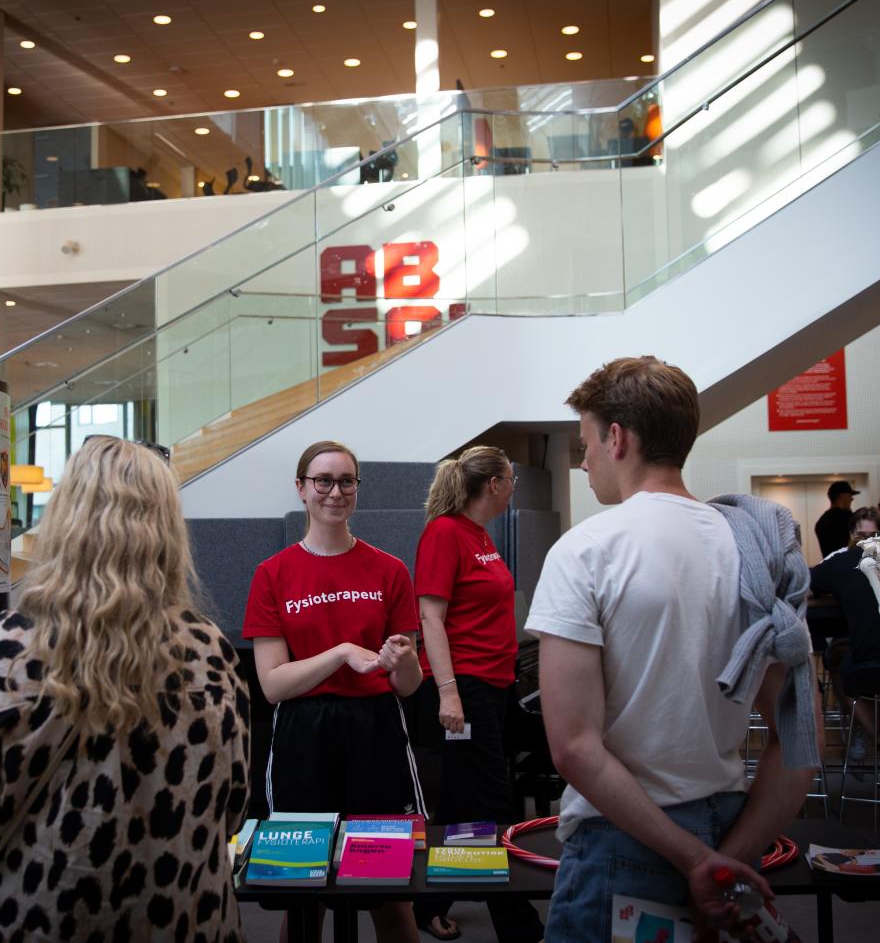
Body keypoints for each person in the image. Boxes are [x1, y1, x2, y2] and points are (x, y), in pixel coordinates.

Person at [525, 357, 821, 938]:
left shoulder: (586, 550)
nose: (582, 461)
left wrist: (694, 862)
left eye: (584, 443)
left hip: (622, 842)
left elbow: (575, 749)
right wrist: (727, 857)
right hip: (731, 829)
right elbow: (801, 740)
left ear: (617, 438)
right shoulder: (756, 550)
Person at [0, 437, 251, 941]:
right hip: (180, 918)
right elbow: (232, 805)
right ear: (168, 531)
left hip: (38, 916)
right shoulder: (207, 651)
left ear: (63, 521)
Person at [243, 440, 424, 943]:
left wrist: (404, 662)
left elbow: (406, 686)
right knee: (302, 893)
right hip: (304, 737)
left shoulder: (389, 570)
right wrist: (342, 652)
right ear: (301, 489)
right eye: (322, 481)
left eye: (346, 481)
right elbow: (273, 685)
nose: (335, 492)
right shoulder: (272, 574)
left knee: (390, 893)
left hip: (377, 734)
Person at [410, 446, 543, 943]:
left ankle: (428, 905)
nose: (515, 487)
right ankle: (520, 925)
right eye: (512, 479)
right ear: (494, 484)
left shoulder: (478, 535)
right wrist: (449, 694)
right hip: (462, 690)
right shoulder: (444, 533)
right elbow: (430, 619)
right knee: (491, 802)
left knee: (466, 802)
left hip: (494, 686)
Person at [811, 506, 880, 766]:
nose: (868, 541)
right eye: (862, 535)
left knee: (848, 665)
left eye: (874, 534)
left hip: (879, 663)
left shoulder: (844, 561)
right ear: (851, 534)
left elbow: (803, 586)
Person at [815, 480, 860, 557]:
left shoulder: (821, 520)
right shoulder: (849, 518)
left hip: (829, 565)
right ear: (841, 496)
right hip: (847, 564)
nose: (852, 499)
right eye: (850, 495)